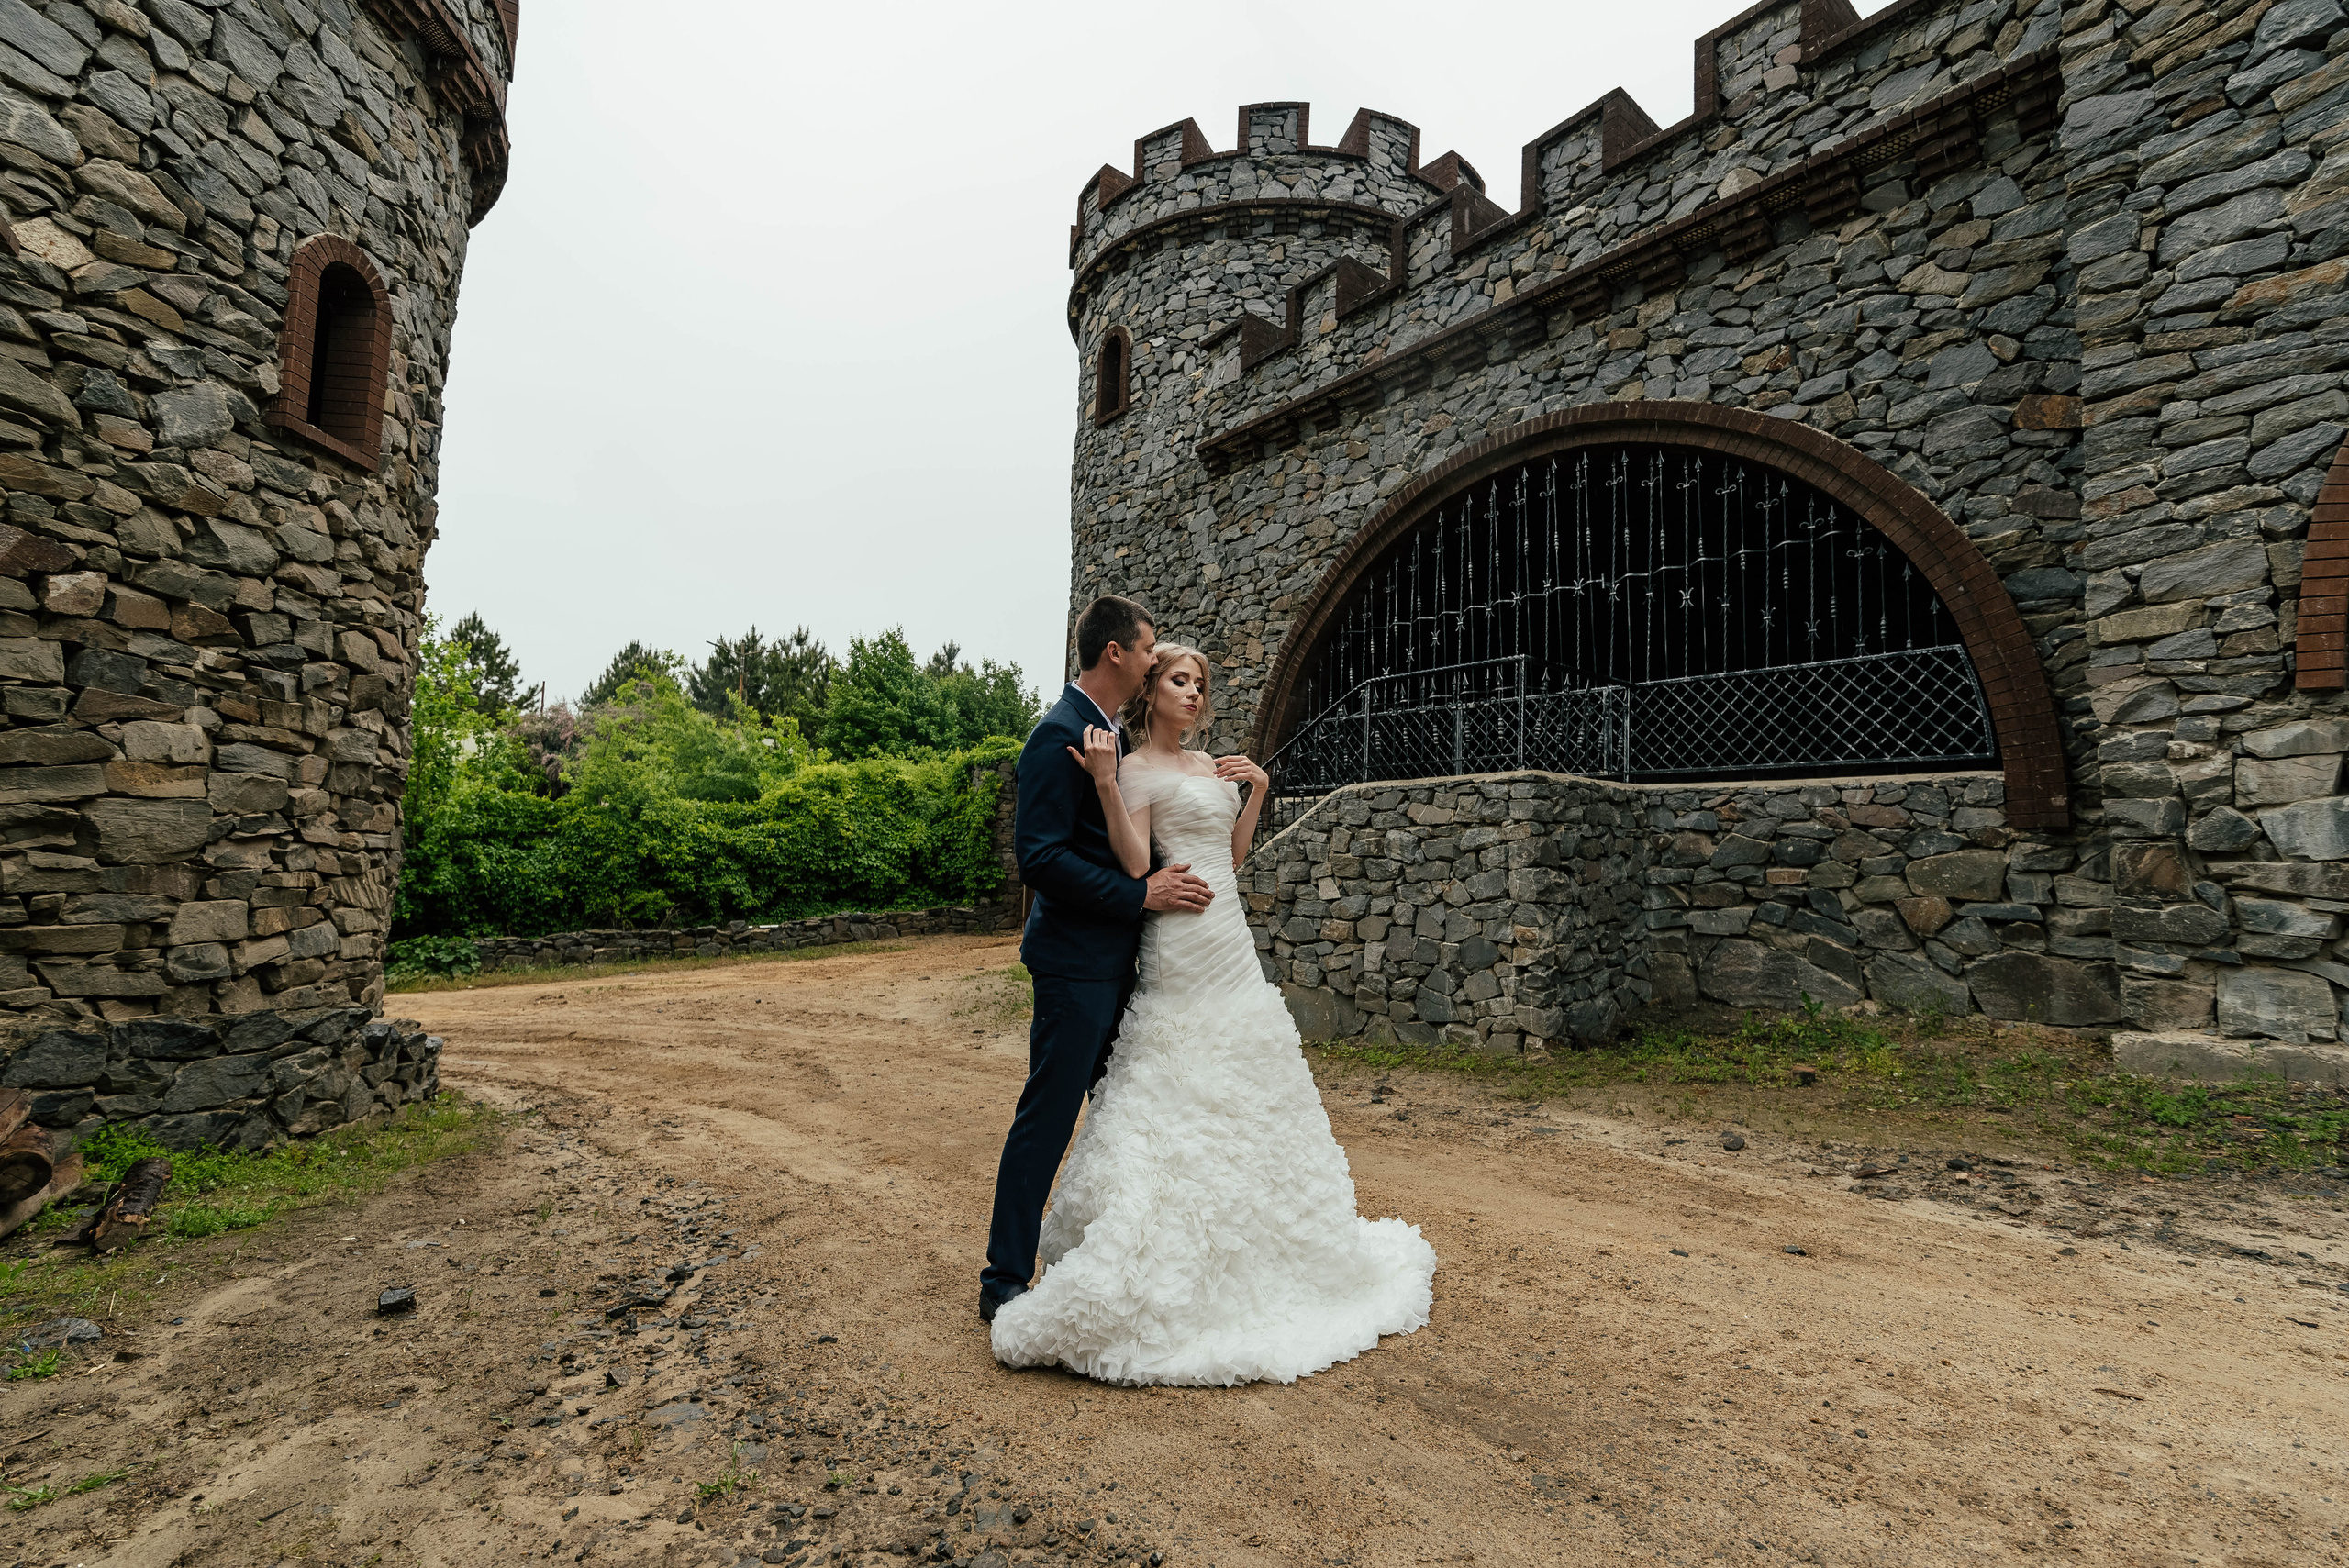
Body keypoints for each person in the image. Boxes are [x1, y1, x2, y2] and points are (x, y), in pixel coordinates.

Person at [987, 639, 1437, 1385]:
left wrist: (1256, 791)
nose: (1193, 693)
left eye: (1200, 683)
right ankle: (1116, 1247)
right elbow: (1135, 864)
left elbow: (1232, 857)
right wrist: (1104, 785)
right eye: (1178, 679)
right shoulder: (1130, 766)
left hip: (1228, 932)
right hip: (1178, 934)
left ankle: (1267, 1241)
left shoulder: (1210, 766)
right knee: (1172, 1079)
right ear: (1151, 690)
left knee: (1250, 1076)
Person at [980, 595, 1215, 1324]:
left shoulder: (1114, 732)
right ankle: (1004, 1280)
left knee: (1124, 1119)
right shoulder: (1055, 737)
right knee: (1047, 1119)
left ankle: (1117, 1260)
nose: (1156, 659)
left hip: (1123, 964)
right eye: (1149, 650)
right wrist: (1138, 895)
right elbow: (1040, 859)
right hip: (1074, 964)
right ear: (1116, 652)